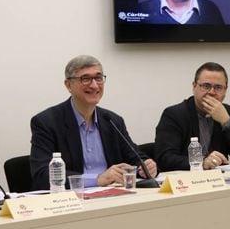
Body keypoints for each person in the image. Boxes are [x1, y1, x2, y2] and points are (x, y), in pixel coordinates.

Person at [30, 55, 157, 190]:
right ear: (68, 85)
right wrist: (98, 179)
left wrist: (147, 166)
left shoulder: (112, 120)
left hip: (113, 197)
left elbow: (136, 158)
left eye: (98, 78)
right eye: (85, 79)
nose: (94, 85)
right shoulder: (47, 122)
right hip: (71, 202)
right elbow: (42, 175)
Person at [155, 62, 230, 171]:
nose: (211, 92)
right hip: (187, 183)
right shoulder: (174, 114)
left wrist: (226, 121)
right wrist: (201, 162)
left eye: (218, 87)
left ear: (225, 90)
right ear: (194, 86)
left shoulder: (227, 112)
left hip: (219, 182)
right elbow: (164, 159)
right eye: (206, 86)